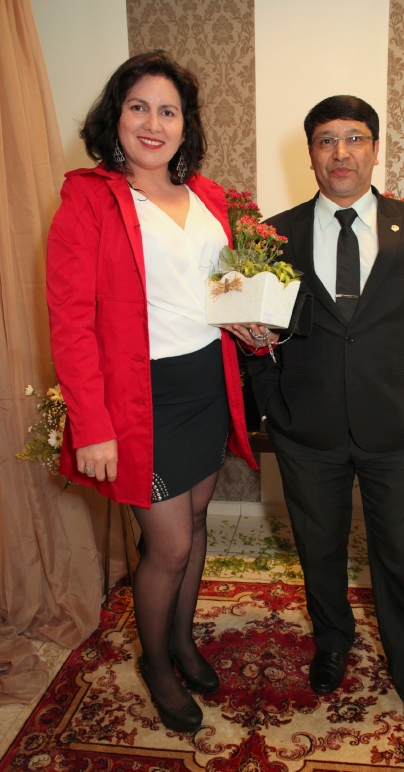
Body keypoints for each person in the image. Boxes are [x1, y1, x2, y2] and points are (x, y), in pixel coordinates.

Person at [231, 95, 404, 749]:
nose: (341, 152)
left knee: (402, 558)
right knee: (319, 549)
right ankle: (332, 642)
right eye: (327, 140)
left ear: (375, 148)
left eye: (355, 138)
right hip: (306, 431)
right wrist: (273, 406)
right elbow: (254, 331)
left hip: (397, 429)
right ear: (310, 153)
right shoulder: (272, 236)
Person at [46, 51, 257, 734]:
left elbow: (220, 290)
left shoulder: (209, 196)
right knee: (166, 545)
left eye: (168, 111)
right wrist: (92, 425)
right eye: (138, 106)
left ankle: (183, 642)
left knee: (195, 523)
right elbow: (70, 321)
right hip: (142, 398)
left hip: (206, 383)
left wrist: (249, 319)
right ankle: (156, 663)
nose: (153, 123)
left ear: (185, 125)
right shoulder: (89, 198)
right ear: (116, 116)